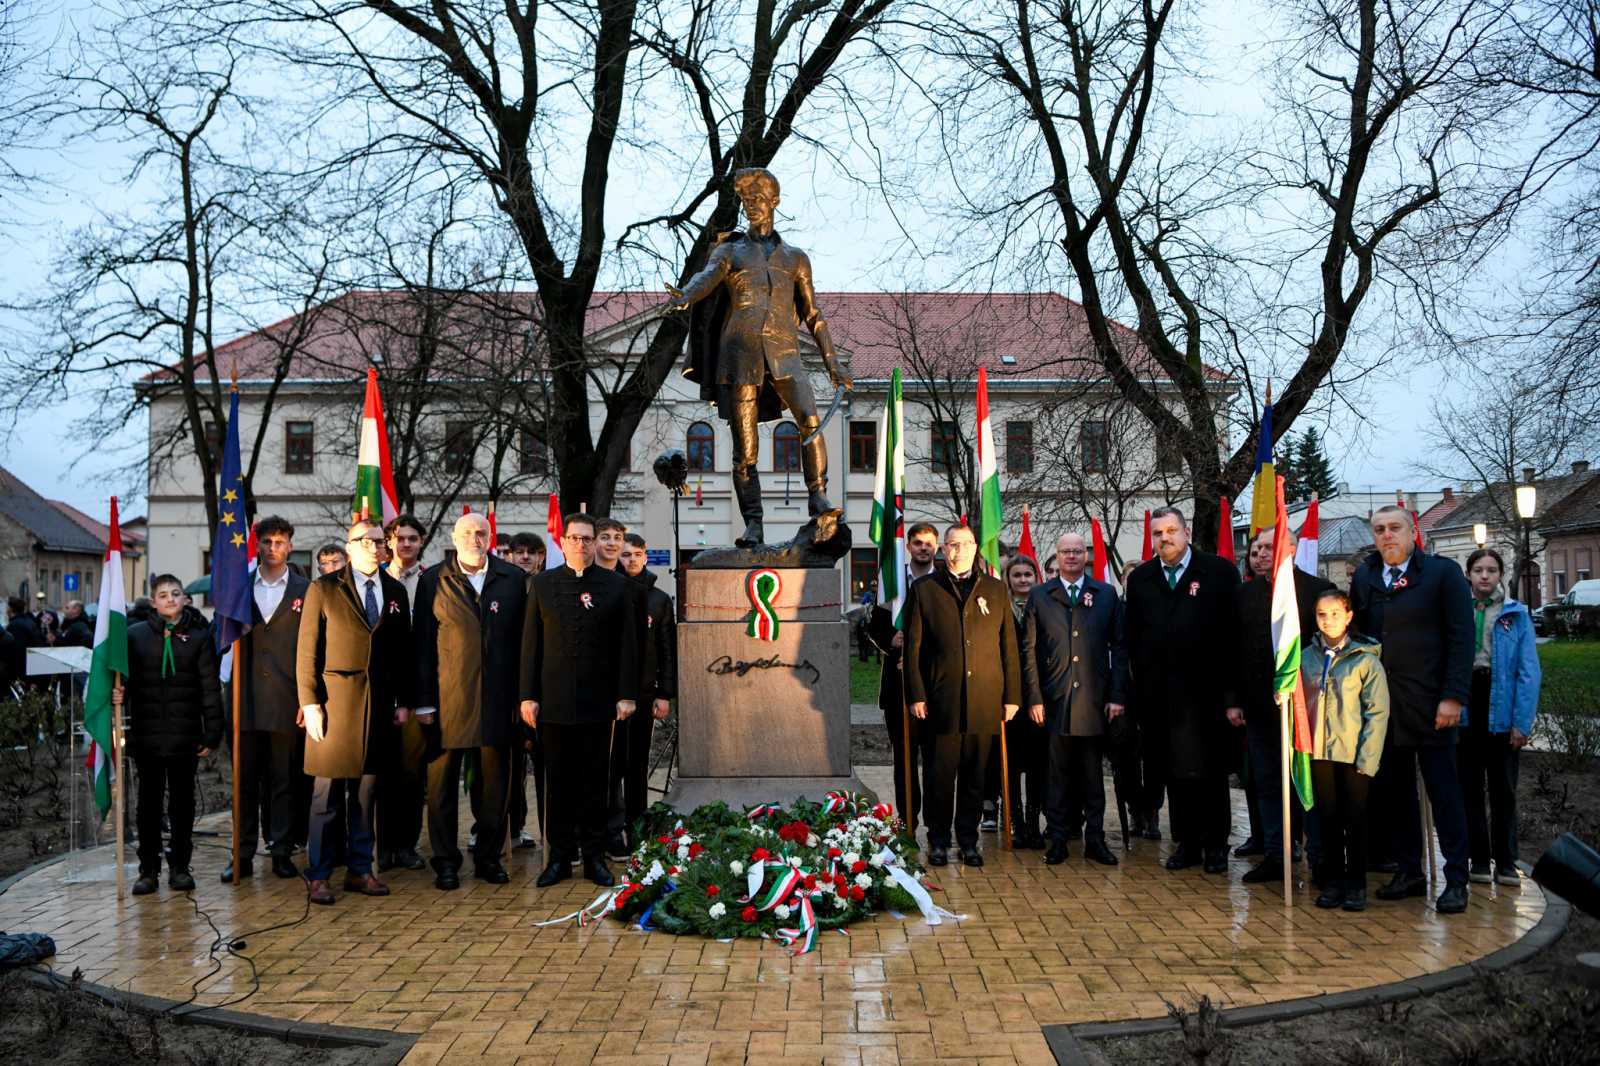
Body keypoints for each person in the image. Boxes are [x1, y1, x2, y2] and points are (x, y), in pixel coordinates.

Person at [666, 167, 852, 546]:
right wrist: (685, 294)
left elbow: (813, 314)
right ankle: (754, 524)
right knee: (745, 449)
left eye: (758, 200)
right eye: (746, 201)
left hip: (785, 354)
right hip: (739, 356)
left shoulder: (796, 258)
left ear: (775, 203)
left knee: (811, 421)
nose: (752, 207)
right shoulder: (730, 250)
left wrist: (833, 363)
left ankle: (818, 498)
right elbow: (707, 277)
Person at [1350, 505, 1474, 914]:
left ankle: (1457, 878)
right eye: (1380, 529)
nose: (1387, 536)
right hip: (1384, 709)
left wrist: (1453, 696)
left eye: (1395, 528)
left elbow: (1461, 638)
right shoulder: (1366, 576)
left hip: (1432, 705)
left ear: (1413, 530)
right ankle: (1410, 871)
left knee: (1445, 795)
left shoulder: (1442, 574)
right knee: (1395, 795)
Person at [296, 519, 416, 906]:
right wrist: (309, 703)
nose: (376, 547)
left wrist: (404, 700)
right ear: (349, 547)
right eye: (367, 541)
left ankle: (360, 869)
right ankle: (319, 874)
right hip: (334, 703)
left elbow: (403, 652)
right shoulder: (325, 589)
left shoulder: (395, 591)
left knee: (366, 793)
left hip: (378, 705)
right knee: (326, 795)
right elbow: (307, 651)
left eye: (381, 542)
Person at [1123, 507, 1242, 874]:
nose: (1165, 538)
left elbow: (1234, 637)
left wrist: (1232, 697)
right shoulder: (1141, 579)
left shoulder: (1219, 572)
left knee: (1210, 773)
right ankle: (1187, 842)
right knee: (1174, 773)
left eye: (1172, 530)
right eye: (1158, 533)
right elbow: (1133, 638)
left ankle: (1216, 845)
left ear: (1186, 532)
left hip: (1208, 696)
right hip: (1161, 697)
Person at [521, 514, 639, 888]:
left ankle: (593, 857)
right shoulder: (542, 585)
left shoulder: (616, 586)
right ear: (563, 540)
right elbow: (530, 646)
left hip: (599, 703)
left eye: (588, 539)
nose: (582, 545)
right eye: (575, 538)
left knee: (595, 784)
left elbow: (627, 645)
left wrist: (626, 695)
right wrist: (528, 695)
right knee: (557, 784)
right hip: (552, 703)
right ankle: (559, 857)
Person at [412, 512, 528, 889]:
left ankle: (489, 857)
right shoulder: (433, 581)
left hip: (499, 703)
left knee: (496, 788)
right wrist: (424, 702)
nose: (475, 538)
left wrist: (524, 698)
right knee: (442, 789)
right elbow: (423, 647)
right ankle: (445, 861)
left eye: (481, 533)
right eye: (468, 533)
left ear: (490, 536)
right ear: (454, 536)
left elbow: (525, 646)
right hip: (449, 703)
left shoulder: (512, 579)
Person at [902, 523, 1021, 868]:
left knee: (975, 777)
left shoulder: (996, 590)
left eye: (967, 544)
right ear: (944, 550)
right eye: (953, 545)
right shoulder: (925, 589)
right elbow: (913, 648)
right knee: (940, 776)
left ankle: (969, 842)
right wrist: (917, 694)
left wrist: (1012, 696)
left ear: (975, 549)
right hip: (942, 700)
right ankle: (938, 840)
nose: (960, 550)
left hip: (985, 698)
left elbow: (1008, 647)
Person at [1233, 525, 1334, 884]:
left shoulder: (1318, 591)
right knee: (1268, 783)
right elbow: (1233, 652)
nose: (1261, 553)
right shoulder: (1243, 594)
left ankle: (1320, 857)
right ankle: (1277, 854)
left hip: (1308, 710)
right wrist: (1234, 701)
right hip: (1260, 708)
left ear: (1290, 548)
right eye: (1257, 548)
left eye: (1269, 546)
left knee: (1309, 785)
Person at [1022, 533, 1129, 866]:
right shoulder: (1040, 596)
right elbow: (1028, 652)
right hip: (1055, 701)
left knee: (1093, 777)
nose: (1071, 556)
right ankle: (1057, 839)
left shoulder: (1106, 594)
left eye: (1077, 551)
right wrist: (1034, 698)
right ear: (1056, 556)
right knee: (1056, 776)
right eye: (1065, 551)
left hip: (1095, 702)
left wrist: (1116, 696)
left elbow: (1120, 649)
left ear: (1087, 556)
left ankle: (1094, 840)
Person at [114, 574, 222, 895]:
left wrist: (212, 732)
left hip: (184, 736)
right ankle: (148, 868)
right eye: (163, 595)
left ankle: (180, 866)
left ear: (185, 599)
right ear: (153, 602)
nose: (171, 599)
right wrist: (117, 694)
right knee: (147, 805)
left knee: (182, 804)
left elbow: (209, 689)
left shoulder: (200, 637)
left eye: (176, 593)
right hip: (147, 735)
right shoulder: (134, 636)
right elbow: (124, 680)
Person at [223, 516, 310, 883]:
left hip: (287, 700)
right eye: (267, 542)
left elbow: (312, 648)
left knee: (282, 780)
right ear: (256, 545)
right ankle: (241, 853)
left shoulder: (307, 590)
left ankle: (280, 849)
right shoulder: (239, 588)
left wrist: (309, 700)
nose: (273, 548)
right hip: (245, 701)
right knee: (245, 782)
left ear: (290, 545)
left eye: (280, 542)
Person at [1457, 548, 1541, 888]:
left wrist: (1522, 722)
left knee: (1503, 787)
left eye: (1492, 570)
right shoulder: (1458, 612)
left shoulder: (1515, 615)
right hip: (1467, 702)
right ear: (1469, 575)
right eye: (1478, 570)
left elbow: (1528, 672)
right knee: (1470, 787)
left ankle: (1506, 861)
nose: (1485, 576)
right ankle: (1478, 859)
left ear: (1501, 574)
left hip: (1502, 704)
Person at [1302, 589, 1390, 911]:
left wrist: (1368, 757)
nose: (1328, 621)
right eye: (1322, 615)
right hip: (1320, 752)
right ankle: (1334, 881)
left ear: (1349, 616)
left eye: (1335, 614)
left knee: (1354, 820)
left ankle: (1356, 884)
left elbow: (1376, 713)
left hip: (1353, 754)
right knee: (1327, 818)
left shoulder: (1365, 660)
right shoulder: (1305, 657)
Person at [866, 521, 939, 823]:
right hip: (898, 688)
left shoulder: (944, 582)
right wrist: (889, 639)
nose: (923, 548)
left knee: (937, 761)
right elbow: (874, 627)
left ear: (937, 548)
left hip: (936, 685)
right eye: (918, 542)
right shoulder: (893, 582)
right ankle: (908, 821)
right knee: (904, 760)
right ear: (908, 546)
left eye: (929, 543)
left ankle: (937, 824)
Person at [591, 517, 655, 859]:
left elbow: (640, 647)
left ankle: (617, 829)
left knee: (622, 764)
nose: (613, 544)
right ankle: (592, 831)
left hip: (624, 692)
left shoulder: (634, 589)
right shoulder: (585, 582)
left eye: (618, 537)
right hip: (589, 689)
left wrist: (632, 691)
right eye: (606, 537)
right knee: (595, 767)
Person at [377, 513, 429, 873]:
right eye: (400, 537)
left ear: (421, 542)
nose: (406, 543)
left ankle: (407, 845)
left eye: (413, 538)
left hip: (417, 686)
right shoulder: (375, 580)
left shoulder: (431, 581)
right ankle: (381, 844)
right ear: (389, 542)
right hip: (380, 687)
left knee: (412, 773)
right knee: (380, 772)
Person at [619, 532, 676, 849]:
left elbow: (667, 649)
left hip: (644, 693)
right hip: (611, 695)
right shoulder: (609, 588)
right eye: (625, 555)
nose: (630, 560)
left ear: (645, 556)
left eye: (636, 554)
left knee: (637, 767)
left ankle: (636, 827)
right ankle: (610, 829)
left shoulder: (659, 599)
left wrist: (664, 693)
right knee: (612, 768)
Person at [505, 530, 547, 849]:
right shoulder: (501, 587)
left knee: (542, 763)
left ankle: (545, 828)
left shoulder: (547, 587)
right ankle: (511, 826)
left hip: (541, 690)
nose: (524, 557)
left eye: (531, 552)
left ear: (541, 556)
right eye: (518, 551)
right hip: (506, 690)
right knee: (509, 766)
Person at [1004, 554, 1048, 849]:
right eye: (1017, 575)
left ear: (1036, 577)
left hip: (1038, 696)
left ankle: (1033, 823)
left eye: (1027, 575)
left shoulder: (1046, 605)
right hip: (1008, 697)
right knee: (1011, 766)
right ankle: (1015, 822)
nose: (1022, 580)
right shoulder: (1001, 608)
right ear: (1008, 579)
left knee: (1036, 765)